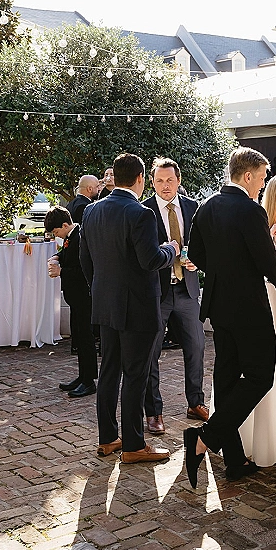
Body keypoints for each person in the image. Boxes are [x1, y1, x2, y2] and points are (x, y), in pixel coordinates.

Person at [185, 147, 276, 486]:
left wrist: (225, 270)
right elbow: (265, 259)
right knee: (261, 376)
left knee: (226, 381)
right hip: (248, 307)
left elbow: (196, 254)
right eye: (260, 178)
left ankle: (235, 460)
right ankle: (204, 438)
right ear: (247, 176)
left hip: (218, 305)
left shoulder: (206, 206)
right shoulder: (249, 209)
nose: (262, 184)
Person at [79, 153, 178, 462]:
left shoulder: (92, 211)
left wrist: (100, 288)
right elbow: (150, 260)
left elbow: (85, 260)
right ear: (140, 180)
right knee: (136, 373)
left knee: (109, 370)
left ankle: (108, 438)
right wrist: (171, 249)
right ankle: (134, 445)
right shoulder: (141, 213)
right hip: (138, 307)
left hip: (105, 303)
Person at [142, 157, 207, 435]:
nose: (165, 186)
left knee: (196, 348)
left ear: (178, 180)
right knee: (151, 353)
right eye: (159, 181)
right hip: (156, 293)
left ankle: (196, 402)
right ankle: (154, 412)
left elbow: (205, 244)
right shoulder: (142, 210)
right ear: (152, 182)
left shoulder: (194, 207)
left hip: (187, 288)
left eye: (169, 180)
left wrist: (199, 259)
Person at [44, 206, 98, 397]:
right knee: (78, 337)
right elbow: (68, 255)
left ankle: (89, 380)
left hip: (83, 296)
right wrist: (58, 256)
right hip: (75, 297)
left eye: (57, 232)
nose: (57, 236)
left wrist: (61, 271)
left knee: (85, 338)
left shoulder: (80, 238)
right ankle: (82, 376)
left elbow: (83, 269)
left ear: (65, 225)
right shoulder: (70, 237)